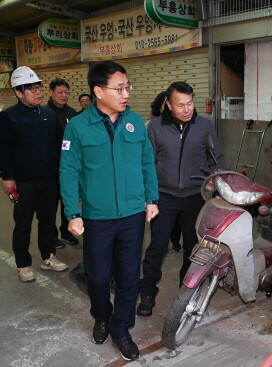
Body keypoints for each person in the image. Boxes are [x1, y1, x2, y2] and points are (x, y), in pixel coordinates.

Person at [59, 61, 159, 361]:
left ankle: (121, 328)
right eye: (119, 88)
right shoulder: (77, 127)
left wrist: (151, 198)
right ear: (98, 91)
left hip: (132, 215)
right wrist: (72, 214)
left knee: (130, 277)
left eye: (128, 87)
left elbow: (147, 163)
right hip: (97, 217)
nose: (125, 93)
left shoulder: (135, 122)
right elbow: (68, 171)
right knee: (99, 277)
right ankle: (101, 316)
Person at [137, 81, 224, 317]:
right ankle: (147, 294)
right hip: (164, 197)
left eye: (190, 103)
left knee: (192, 249)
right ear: (168, 104)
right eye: (180, 105)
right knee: (157, 247)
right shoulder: (155, 127)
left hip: (195, 197)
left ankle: (184, 294)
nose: (187, 109)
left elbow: (217, 159)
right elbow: (147, 163)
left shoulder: (204, 126)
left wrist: (215, 182)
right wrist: (149, 197)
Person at [0, 66, 69, 282]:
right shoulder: (8, 117)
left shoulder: (49, 115)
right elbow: (4, 149)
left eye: (38, 87)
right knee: (23, 223)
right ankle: (23, 263)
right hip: (23, 181)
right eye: (31, 88)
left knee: (48, 220)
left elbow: (60, 144)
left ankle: (48, 256)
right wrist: (8, 178)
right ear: (19, 93)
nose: (38, 92)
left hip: (49, 179)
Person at [146, 91, 183, 252]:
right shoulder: (150, 126)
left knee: (177, 218)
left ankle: (175, 240)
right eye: (165, 105)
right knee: (158, 215)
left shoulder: (181, 126)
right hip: (158, 181)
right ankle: (159, 243)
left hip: (176, 181)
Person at [45, 78, 79, 248]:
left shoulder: (72, 113)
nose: (64, 95)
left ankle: (66, 231)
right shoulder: (44, 113)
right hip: (51, 170)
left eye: (66, 92)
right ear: (51, 93)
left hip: (70, 169)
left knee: (68, 202)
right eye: (60, 92)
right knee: (50, 206)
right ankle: (52, 237)